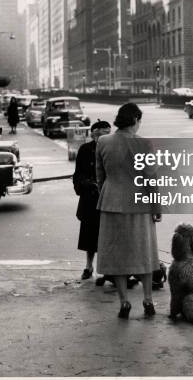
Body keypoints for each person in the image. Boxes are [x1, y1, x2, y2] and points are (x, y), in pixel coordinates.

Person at [96, 102, 161, 319]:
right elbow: (151, 178)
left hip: (111, 203)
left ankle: (124, 303)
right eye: (139, 121)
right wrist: (156, 206)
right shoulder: (144, 144)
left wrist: (106, 195)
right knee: (143, 252)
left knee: (118, 256)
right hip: (139, 204)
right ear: (134, 120)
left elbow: (100, 176)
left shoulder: (103, 141)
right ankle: (148, 300)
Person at [73, 120, 112, 280]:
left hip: (108, 196)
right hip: (90, 197)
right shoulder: (85, 149)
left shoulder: (112, 149)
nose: (107, 137)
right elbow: (78, 174)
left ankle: (108, 270)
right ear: (94, 134)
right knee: (90, 235)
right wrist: (87, 183)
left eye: (109, 133)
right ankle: (89, 266)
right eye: (103, 133)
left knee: (108, 235)